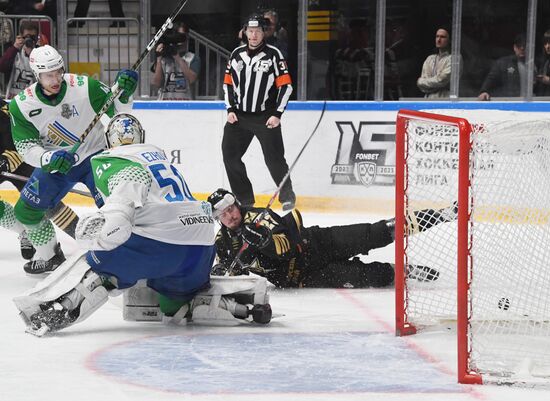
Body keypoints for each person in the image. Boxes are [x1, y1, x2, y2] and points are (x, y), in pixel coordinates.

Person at [13, 114, 271, 335]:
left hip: (159, 246)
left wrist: (112, 222)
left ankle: (59, 309)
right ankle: (237, 308)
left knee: (98, 263)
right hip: (200, 247)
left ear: (108, 142)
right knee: (173, 307)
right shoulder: (160, 159)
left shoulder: (113, 159)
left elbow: (128, 187)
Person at [9, 44, 138, 274]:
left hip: (95, 157)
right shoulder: (22, 105)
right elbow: (25, 147)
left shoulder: (84, 86)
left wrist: (125, 94)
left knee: (118, 210)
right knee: (25, 211)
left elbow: (118, 113)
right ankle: (50, 256)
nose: (56, 78)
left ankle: (131, 257)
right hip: (56, 163)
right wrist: (47, 157)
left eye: (59, 71)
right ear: (36, 75)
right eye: (49, 75)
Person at [207, 188, 451, 288]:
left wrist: (264, 241)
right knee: (365, 277)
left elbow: (287, 247)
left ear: (237, 205)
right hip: (303, 276)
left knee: (376, 232)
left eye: (231, 208)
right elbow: (230, 275)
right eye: (222, 214)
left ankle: (442, 215)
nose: (229, 215)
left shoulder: (260, 217)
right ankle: (404, 272)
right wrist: (223, 270)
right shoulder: (222, 243)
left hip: (316, 243)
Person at [223, 14, 295, 211]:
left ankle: (287, 196)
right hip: (239, 116)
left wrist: (277, 114)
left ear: (264, 33)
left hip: (266, 117)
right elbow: (228, 84)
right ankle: (245, 199)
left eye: (257, 31)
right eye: (250, 31)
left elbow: (286, 86)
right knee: (230, 155)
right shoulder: (236, 54)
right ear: (245, 32)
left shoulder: (274, 55)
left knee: (275, 160)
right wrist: (230, 109)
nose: (253, 35)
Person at [0, 98, 80, 259]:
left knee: (44, 202)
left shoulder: (4, 112)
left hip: (18, 158)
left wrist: (6, 162)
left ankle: (85, 237)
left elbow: (18, 143)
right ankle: (23, 231)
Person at [151, 22, 200, 100]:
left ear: (187, 37)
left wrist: (177, 57)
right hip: (164, 105)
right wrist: (159, 58)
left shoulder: (192, 58)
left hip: (185, 105)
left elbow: (192, 80)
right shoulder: (163, 58)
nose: (178, 40)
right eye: (176, 36)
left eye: (181, 36)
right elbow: (156, 84)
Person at [478, 34, 531, 100]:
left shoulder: (533, 64)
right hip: (510, 102)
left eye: (524, 46)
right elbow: (491, 79)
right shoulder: (503, 63)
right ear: (514, 47)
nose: (522, 48)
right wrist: (484, 91)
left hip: (530, 102)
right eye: (519, 46)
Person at [0, 20, 44, 99]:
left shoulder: (41, 53)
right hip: (14, 98)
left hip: (33, 99)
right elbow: (2, 67)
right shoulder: (14, 52)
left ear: (37, 38)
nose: (30, 39)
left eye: (33, 37)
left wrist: (32, 54)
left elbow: (44, 74)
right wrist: (14, 48)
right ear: (21, 36)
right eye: (27, 36)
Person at [417, 27, 457, 99]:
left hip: (445, 100)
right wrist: (423, 82)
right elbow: (421, 85)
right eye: (437, 36)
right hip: (427, 100)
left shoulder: (454, 58)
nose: (438, 40)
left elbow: (442, 80)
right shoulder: (430, 59)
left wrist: (425, 83)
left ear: (449, 40)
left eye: (442, 37)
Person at [536, 30, 550, 97]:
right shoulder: (544, 61)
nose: (547, 46)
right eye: (545, 43)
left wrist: (548, 80)